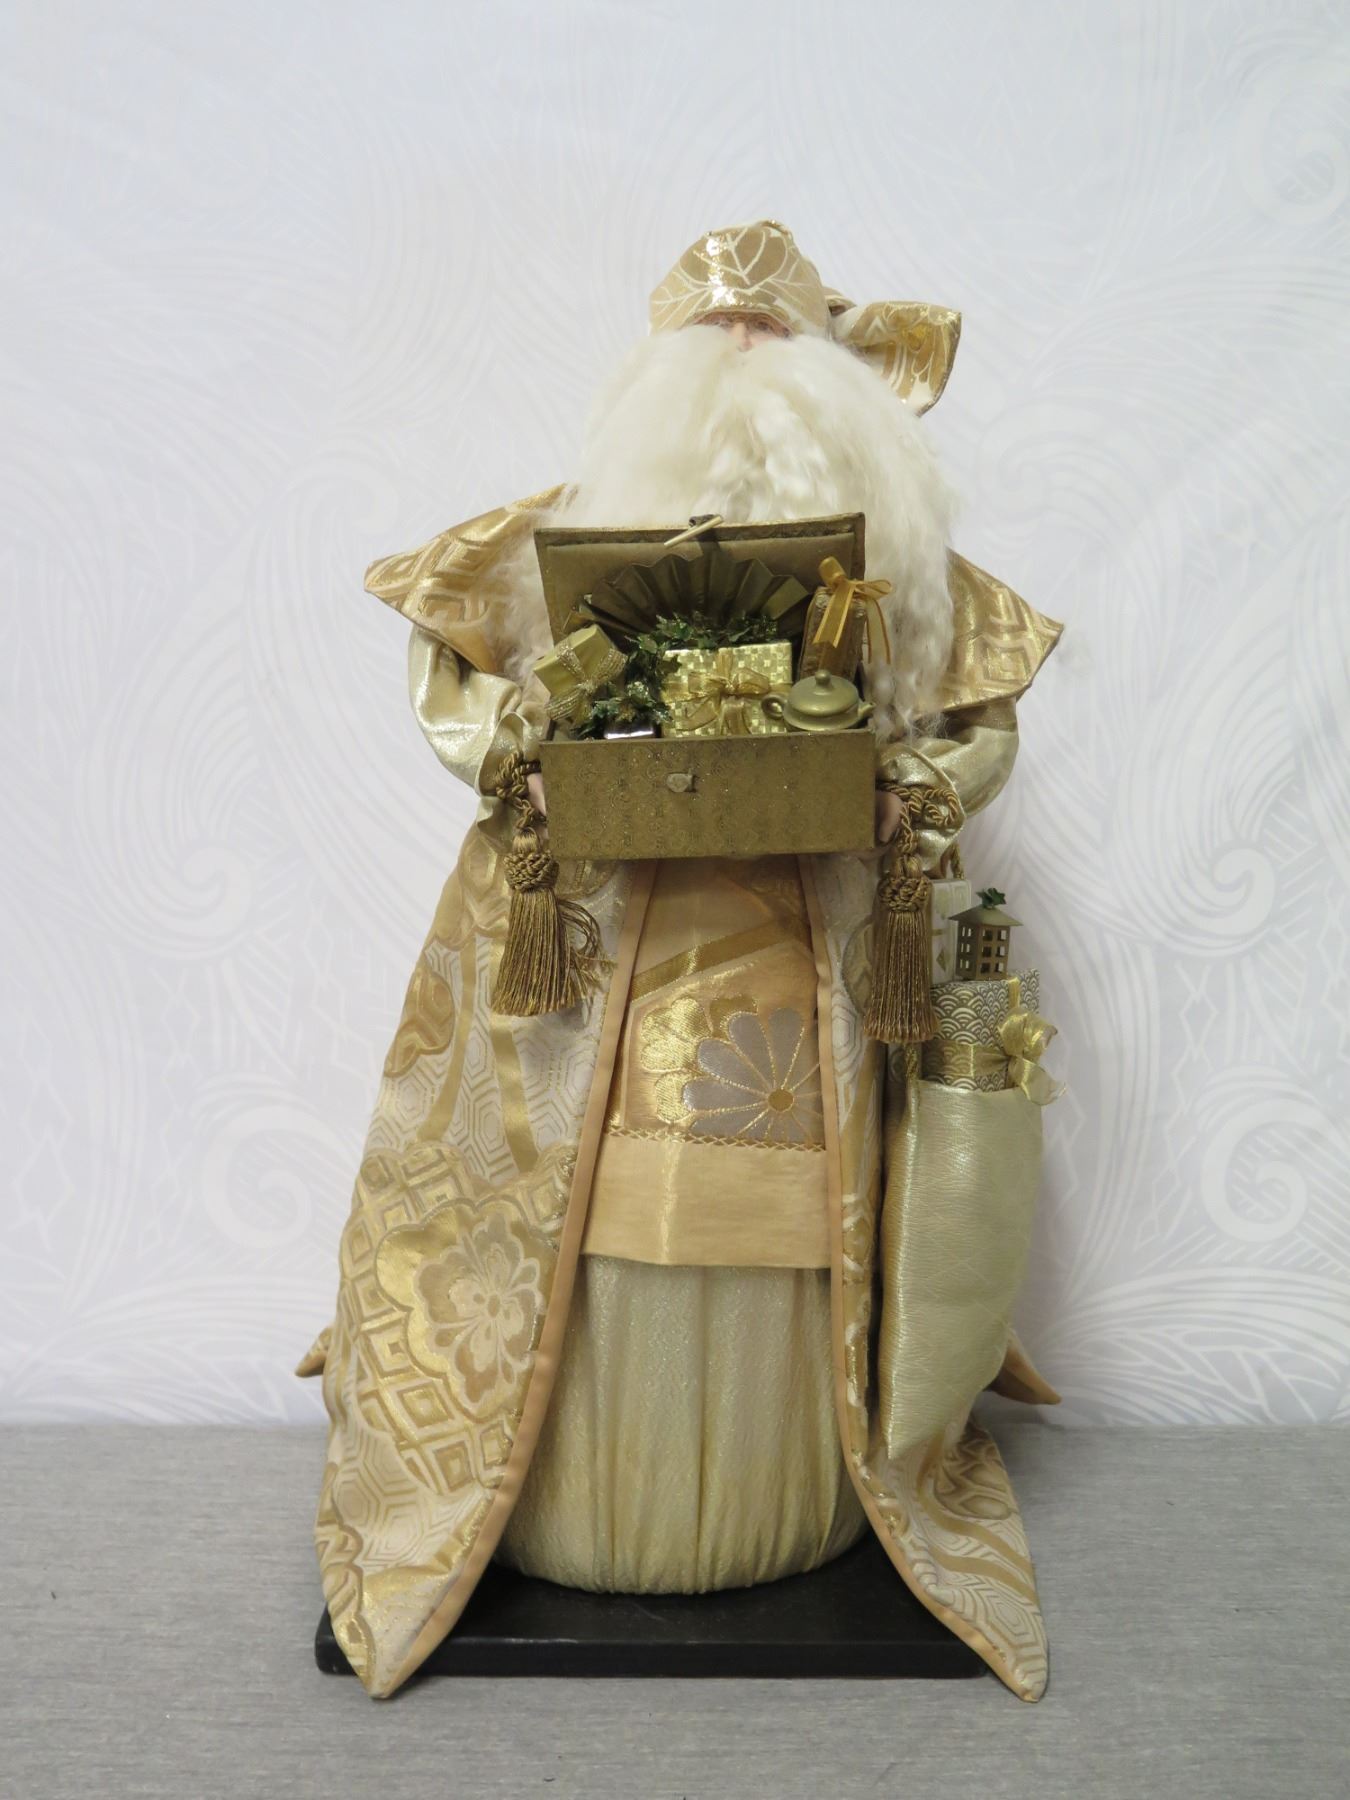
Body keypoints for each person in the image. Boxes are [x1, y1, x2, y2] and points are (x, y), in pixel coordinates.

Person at [299, 221, 1064, 1701]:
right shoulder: (545, 546)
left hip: (808, 962)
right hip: (592, 962)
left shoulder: (905, 582)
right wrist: (521, 759)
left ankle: (789, 1497)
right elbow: (452, 680)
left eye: (776, 344)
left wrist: (907, 786)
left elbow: (979, 727)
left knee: (799, 1212)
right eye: (717, 346)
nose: (747, 367)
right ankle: (557, 1498)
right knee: (565, 1214)